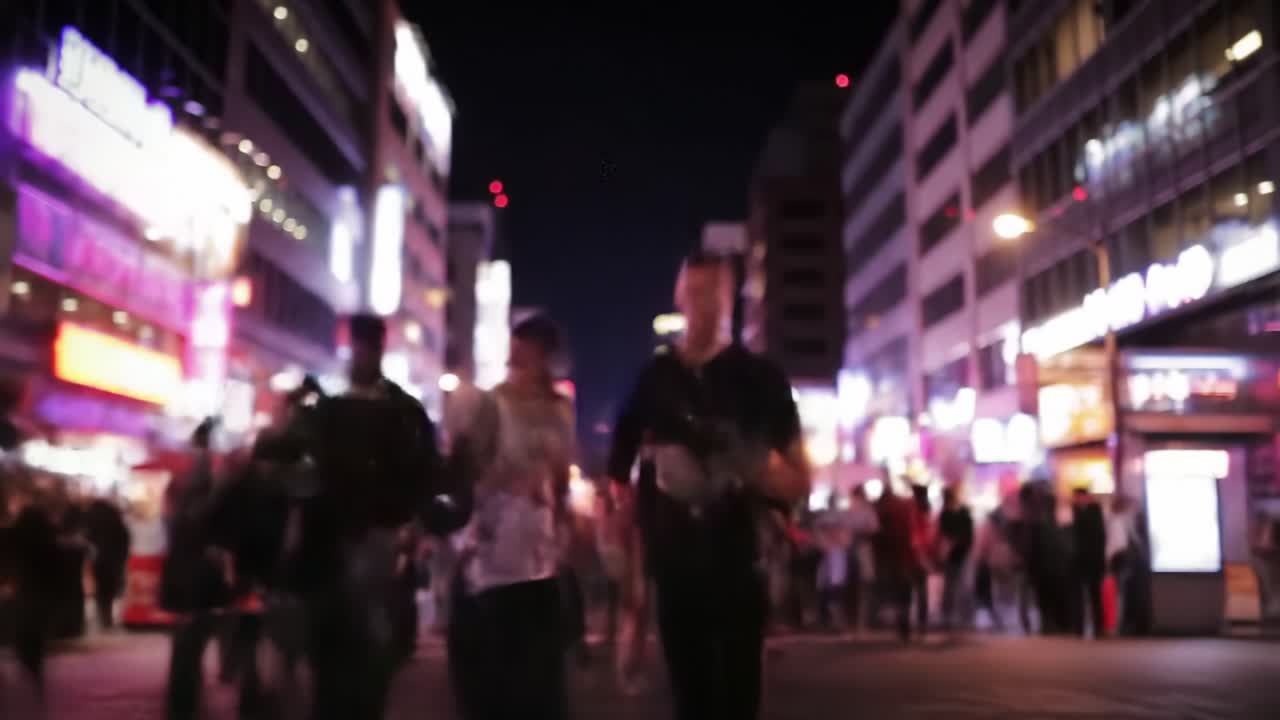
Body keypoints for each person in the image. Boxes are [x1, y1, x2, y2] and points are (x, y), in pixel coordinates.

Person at [609, 252, 810, 720]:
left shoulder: (761, 379)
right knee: (689, 698)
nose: (701, 306)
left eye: (712, 294)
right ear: (678, 297)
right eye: (692, 293)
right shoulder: (655, 378)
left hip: (741, 558)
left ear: (730, 300)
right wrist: (632, 603)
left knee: (740, 697)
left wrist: (748, 463)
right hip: (674, 564)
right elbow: (620, 482)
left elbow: (799, 479)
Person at [447, 314, 576, 720]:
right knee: (494, 689)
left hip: (541, 566)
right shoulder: (488, 405)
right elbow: (466, 477)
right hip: (491, 567)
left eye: (530, 354)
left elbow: (561, 483)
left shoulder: (561, 411)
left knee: (539, 690)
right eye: (516, 354)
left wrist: (564, 525)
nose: (519, 362)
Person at [873, 476, 920, 643]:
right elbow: (912, 531)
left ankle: (900, 623)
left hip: (890, 556)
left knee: (895, 590)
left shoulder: (882, 509)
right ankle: (904, 624)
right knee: (904, 591)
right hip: (904, 554)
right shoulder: (905, 506)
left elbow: (877, 533)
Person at [84, 498, 131, 631]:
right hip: (114, 559)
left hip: (99, 558)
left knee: (102, 589)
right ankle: (108, 618)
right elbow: (125, 539)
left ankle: (104, 617)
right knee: (110, 588)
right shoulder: (116, 522)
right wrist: (122, 556)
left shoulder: (92, 521)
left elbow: (88, 538)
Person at [1072, 487, 1106, 638]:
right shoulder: (1072, 512)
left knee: (1095, 595)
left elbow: (1100, 537)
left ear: (1086, 497)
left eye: (1079, 497)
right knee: (1078, 596)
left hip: (1094, 560)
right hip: (1078, 561)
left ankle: (1098, 627)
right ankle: (1079, 628)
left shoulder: (1095, 511)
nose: (1077, 500)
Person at [938, 487, 974, 631]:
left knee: (951, 586)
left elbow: (944, 533)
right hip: (959, 554)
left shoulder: (948, 515)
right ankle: (959, 615)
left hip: (954, 554)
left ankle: (951, 615)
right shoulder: (960, 514)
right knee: (958, 585)